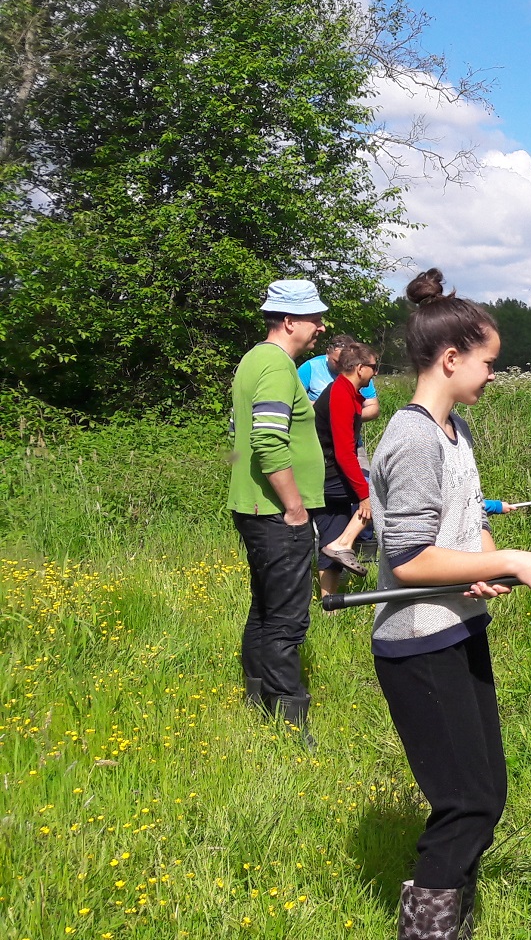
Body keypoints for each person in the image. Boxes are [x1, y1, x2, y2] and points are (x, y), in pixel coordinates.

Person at [370, 268, 531, 938]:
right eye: (488, 364)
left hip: (459, 626)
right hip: (417, 642)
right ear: (451, 359)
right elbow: (409, 560)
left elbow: (463, 530)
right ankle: (425, 926)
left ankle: (455, 917)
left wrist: (485, 564)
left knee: (487, 794)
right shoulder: (414, 437)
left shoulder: (457, 433)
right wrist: (506, 561)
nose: (492, 376)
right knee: (465, 804)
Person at [227, 279, 328, 745]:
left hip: (255, 508)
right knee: (287, 619)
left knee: (265, 609)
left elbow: (241, 430)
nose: (321, 328)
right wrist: (294, 507)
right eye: (314, 319)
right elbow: (266, 439)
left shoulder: (254, 360)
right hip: (275, 512)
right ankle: (293, 728)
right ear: (289, 321)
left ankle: (257, 701)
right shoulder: (276, 366)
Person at [314, 341, 379, 590]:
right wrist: (364, 495)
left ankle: (330, 606)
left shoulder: (348, 392)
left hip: (329, 474)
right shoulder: (339, 394)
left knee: (332, 537)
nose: (376, 373)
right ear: (360, 368)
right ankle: (345, 543)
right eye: (374, 367)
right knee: (380, 495)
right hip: (329, 474)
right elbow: (344, 452)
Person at [301, 333, 381, 421]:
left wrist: (348, 417)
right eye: (337, 362)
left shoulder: (360, 373)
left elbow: (373, 408)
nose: (342, 366)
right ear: (328, 353)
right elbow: (294, 401)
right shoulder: (311, 367)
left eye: (347, 362)